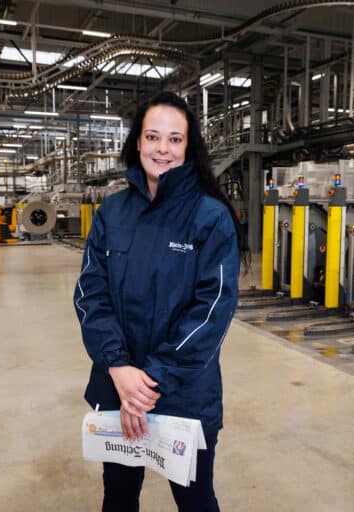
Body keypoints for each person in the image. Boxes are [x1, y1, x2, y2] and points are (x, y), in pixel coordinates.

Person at [73, 91, 248, 512]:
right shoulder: (111, 212)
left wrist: (147, 384)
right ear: (138, 142)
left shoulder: (210, 217)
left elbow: (212, 310)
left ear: (188, 147)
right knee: (117, 497)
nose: (163, 149)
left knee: (195, 501)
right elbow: (89, 293)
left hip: (183, 391)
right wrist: (118, 367)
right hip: (118, 387)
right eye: (153, 137)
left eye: (175, 139)